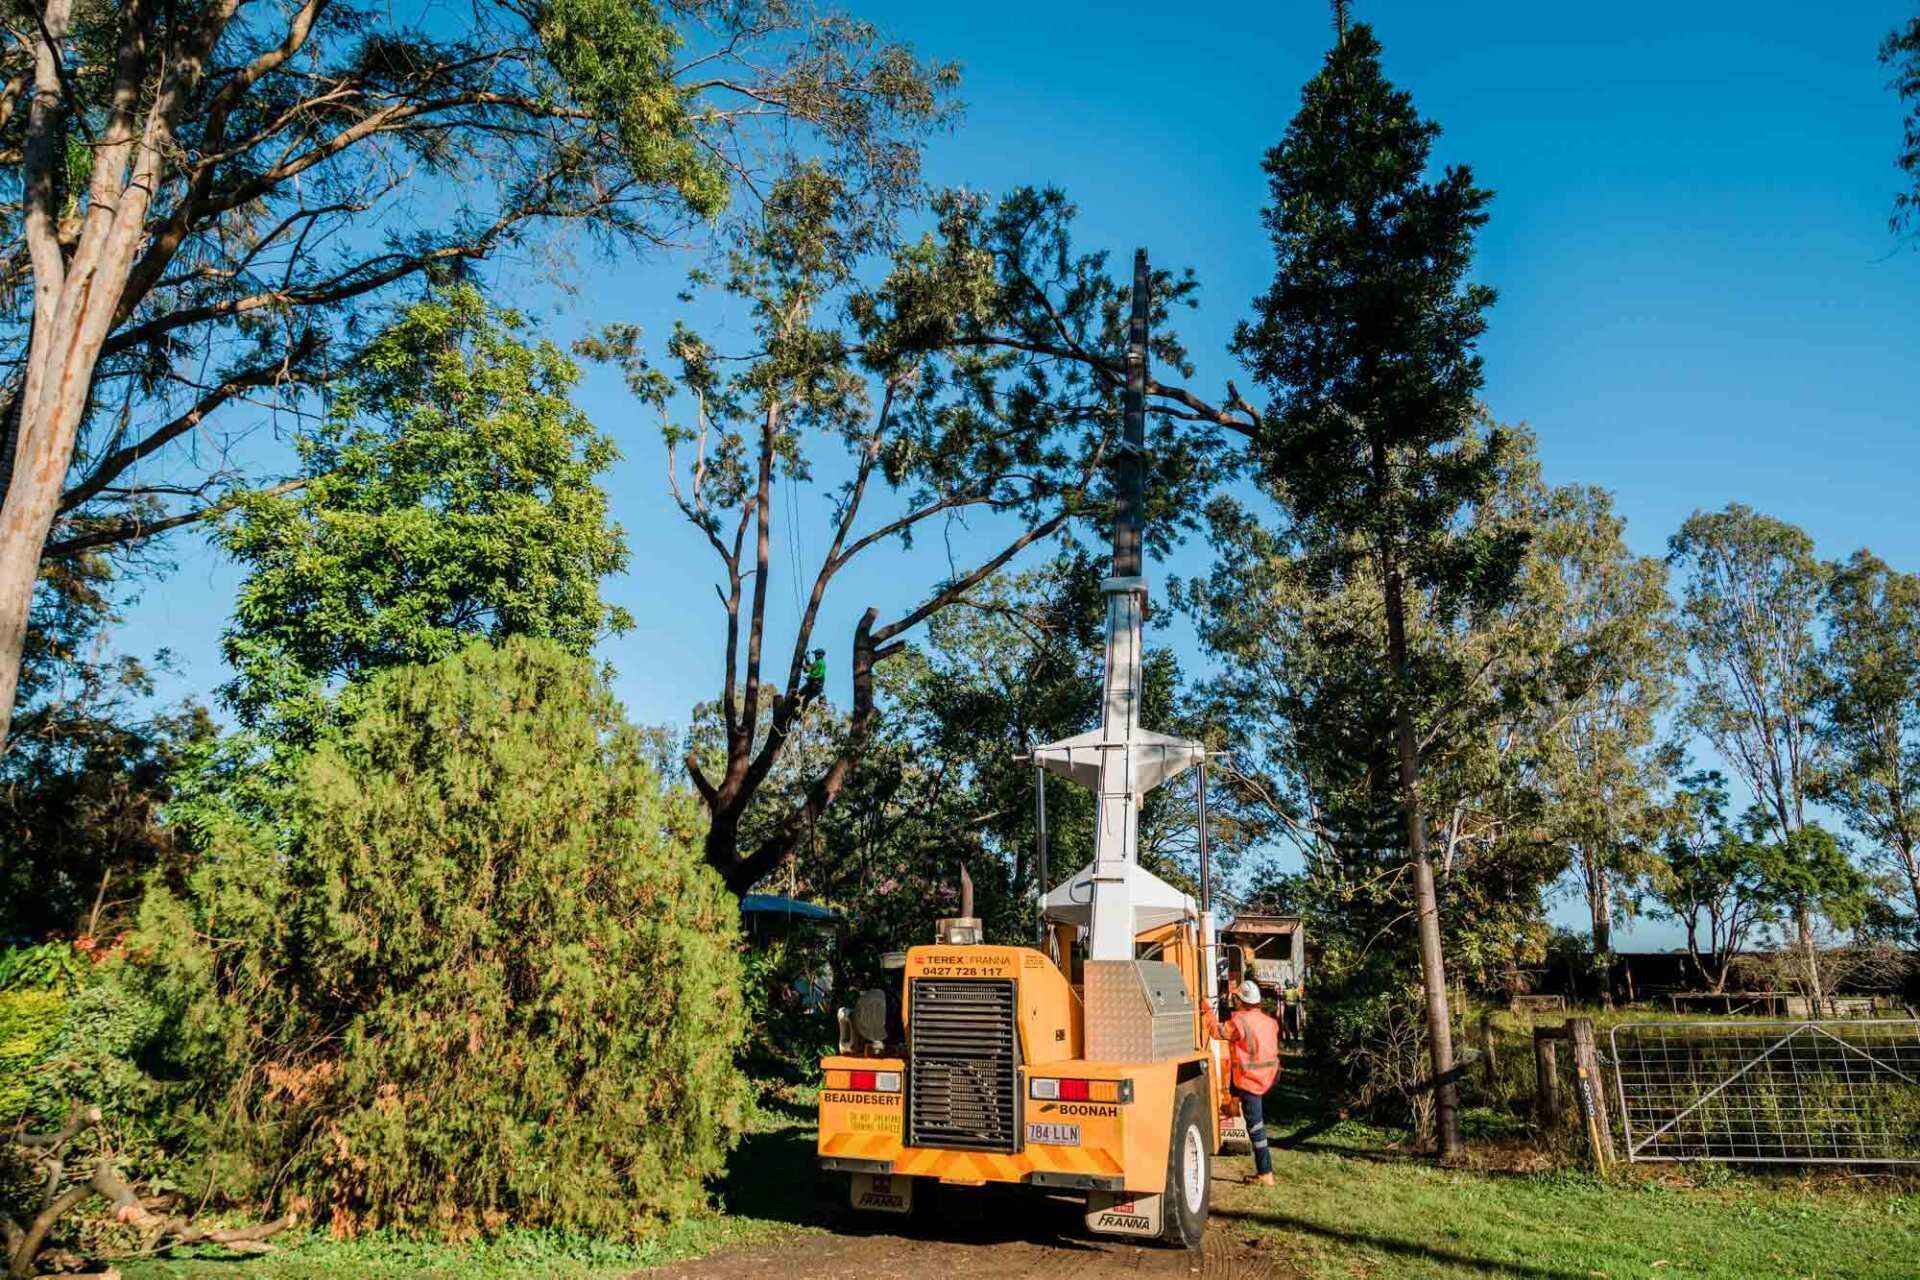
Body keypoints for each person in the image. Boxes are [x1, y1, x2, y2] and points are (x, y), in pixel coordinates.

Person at [1208, 979, 1282, 1186]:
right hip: (1270, 1075)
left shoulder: (1240, 1023)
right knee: (1241, 1088)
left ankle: (1265, 1174)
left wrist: (1207, 1011)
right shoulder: (1269, 1021)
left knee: (1256, 1127)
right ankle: (1233, 1104)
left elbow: (1216, 1032)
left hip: (1252, 1080)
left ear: (1240, 1001)